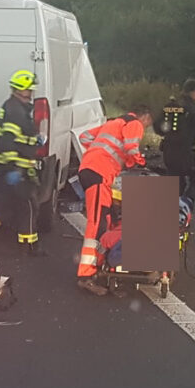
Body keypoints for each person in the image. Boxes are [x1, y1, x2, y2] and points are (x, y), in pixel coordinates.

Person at [75, 106, 152, 294]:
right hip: (99, 173)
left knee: (107, 218)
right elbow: (131, 147)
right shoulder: (134, 123)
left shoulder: (112, 123)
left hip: (91, 170)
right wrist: (140, 161)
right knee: (97, 223)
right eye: (148, 123)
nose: (147, 127)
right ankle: (86, 275)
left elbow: (84, 137)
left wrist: (98, 152)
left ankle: (100, 267)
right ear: (145, 117)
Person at [0, 69, 45, 256]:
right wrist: (15, 169)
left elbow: (20, 138)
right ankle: (28, 246)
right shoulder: (14, 111)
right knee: (29, 206)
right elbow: (7, 143)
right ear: (20, 91)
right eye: (29, 90)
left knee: (4, 208)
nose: (31, 94)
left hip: (17, 168)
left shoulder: (17, 109)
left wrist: (35, 140)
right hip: (16, 169)